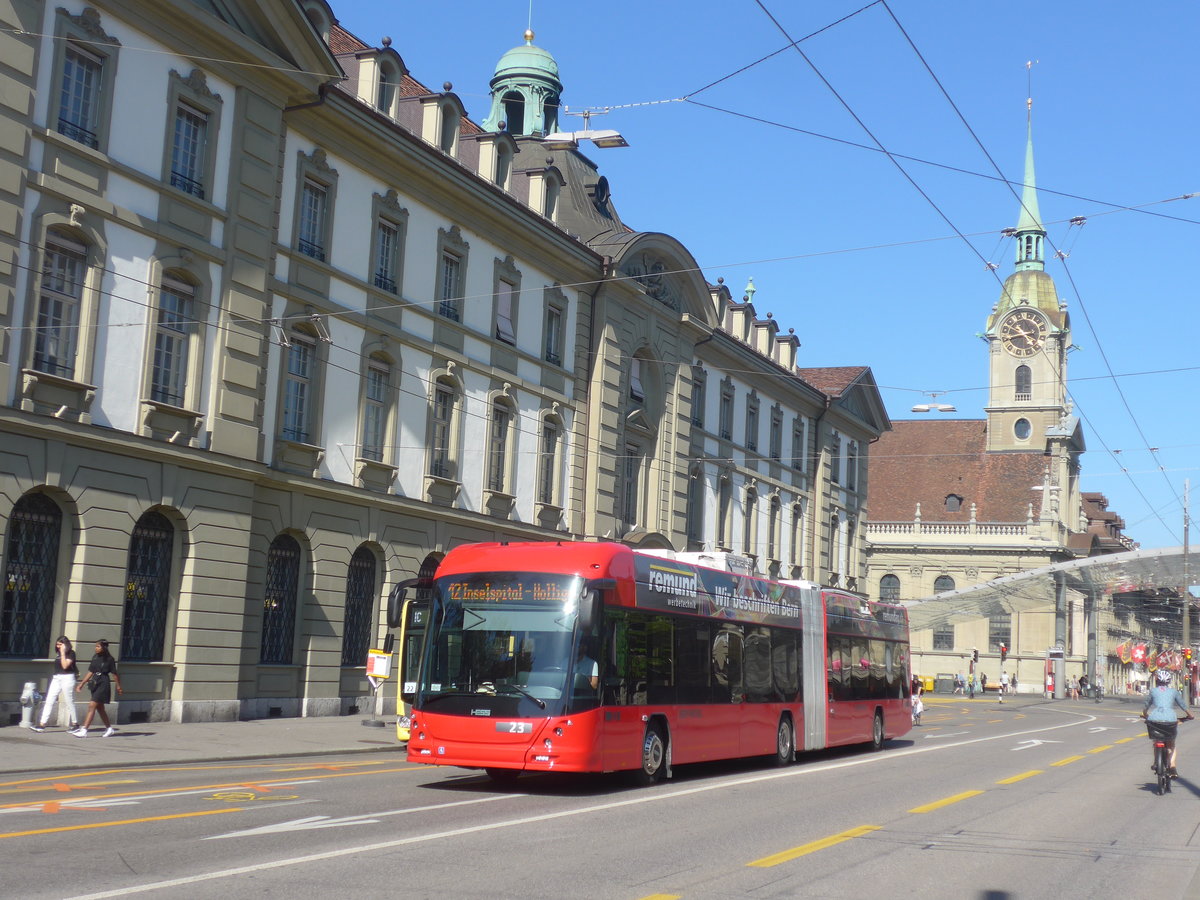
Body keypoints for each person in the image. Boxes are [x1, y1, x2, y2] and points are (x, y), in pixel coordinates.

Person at [1143, 667, 1192, 777]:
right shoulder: (1173, 692)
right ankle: (1173, 767)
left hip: (1155, 719)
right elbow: (1183, 705)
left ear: (1157, 681)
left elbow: (1146, 705)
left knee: (1156, 740)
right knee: (1171, 744)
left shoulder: (1153, 691)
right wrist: (1190, 715)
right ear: (1169, 682)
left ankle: (1156, 762)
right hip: (1170, 720)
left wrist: (1145, 714)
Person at [74, 640, 122, 737]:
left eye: (98, 647)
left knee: (92, 705)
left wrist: (118, 686)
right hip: (95, 682)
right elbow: (90, 672)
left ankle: (84, 730)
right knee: (100, 708)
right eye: (95, 646)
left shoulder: (109, 659)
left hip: (104, 683)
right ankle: (109, 729)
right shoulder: (95, 657)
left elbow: (114, 674)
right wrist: (82, 683)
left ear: (104, 648)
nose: (96, 648)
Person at [30, 636, 78, 732]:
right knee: (49, 700)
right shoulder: (58, 654)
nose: (58, 646)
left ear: (66, 644)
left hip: (67, 678)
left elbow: (65, 666)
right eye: (57, 644)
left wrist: (63, 653)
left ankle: (75, 723)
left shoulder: (71, 653)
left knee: (69, 701)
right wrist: (61, 653)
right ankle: (42, 724)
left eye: (60, 644)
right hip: (56, 678)